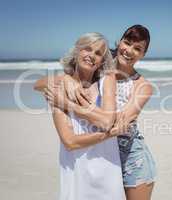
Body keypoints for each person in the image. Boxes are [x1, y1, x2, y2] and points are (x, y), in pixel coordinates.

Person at [38, 25, 157, 200]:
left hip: (131, 157)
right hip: (99, 152)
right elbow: (40, 83)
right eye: (127, 43)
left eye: (137, 48)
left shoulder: (142, 86)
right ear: (120, 42)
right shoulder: (97, 65)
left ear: (143, 55)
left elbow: (115, 124)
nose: (129, 51)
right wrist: (66, 79)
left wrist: (69, 105)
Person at [34, 32, 126, 200]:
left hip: (108, 171)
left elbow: (106, 121)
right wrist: (108, 134)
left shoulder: (106, 82)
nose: (92, 55)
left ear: (101, 63)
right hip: (77, 173)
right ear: (76, 52)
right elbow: (69, 141)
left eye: (98, 53)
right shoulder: (59, 89)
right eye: (87, 49)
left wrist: (69, 105)